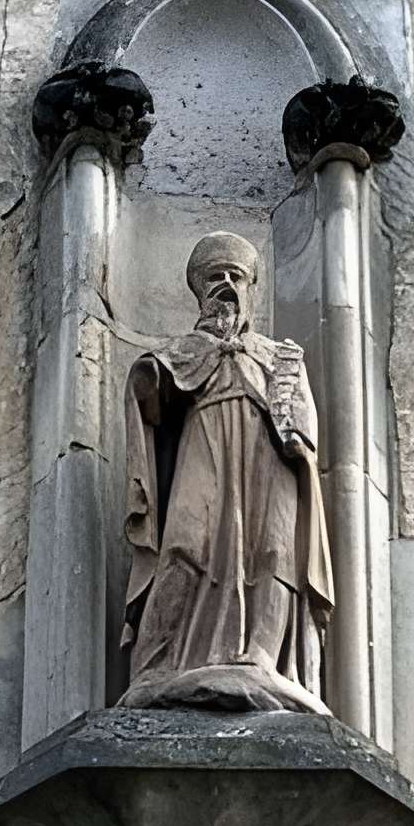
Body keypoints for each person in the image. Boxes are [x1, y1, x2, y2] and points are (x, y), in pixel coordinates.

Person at [119, 231, 334, 715]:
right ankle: (160, 663)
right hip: (207, 443)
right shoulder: (186, 350)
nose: (226, 285)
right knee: (184, 543)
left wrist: (299, 437)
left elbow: (303, 412)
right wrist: (149, 377)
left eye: (235, 277)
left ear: (251, 287)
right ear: (199, 290)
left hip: (268, 459)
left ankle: (264, 657)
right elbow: (152, 399)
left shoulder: (278, 356)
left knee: (276, 550)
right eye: (215, 278)